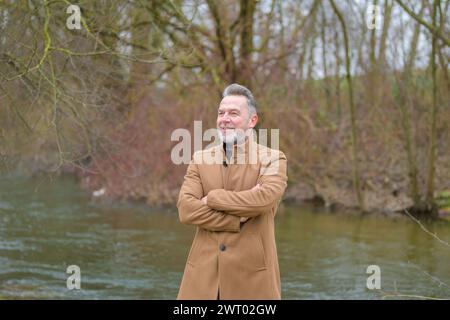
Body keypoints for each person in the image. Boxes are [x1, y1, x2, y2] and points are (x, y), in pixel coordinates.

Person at [176, 83, 288, 300]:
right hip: (200, 283)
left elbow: (263, 200)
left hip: (252, 284)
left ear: (252, 121)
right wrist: (239, 218)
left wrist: (213, 198)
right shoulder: (200, 159)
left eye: (234, 113)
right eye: (221, 113)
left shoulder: (273, 158)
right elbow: (186, 210)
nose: (224, 119)